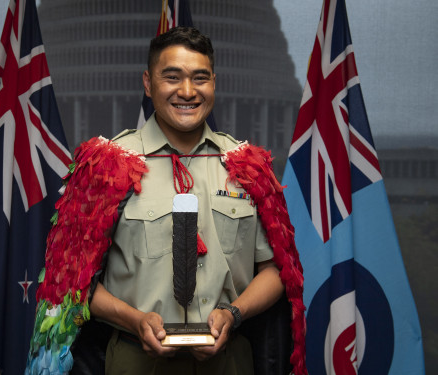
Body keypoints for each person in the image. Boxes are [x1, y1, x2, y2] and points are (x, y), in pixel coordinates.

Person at [26, 26, 306, 375]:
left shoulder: (247, 167)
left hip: (229, 359)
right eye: (172, 77)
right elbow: (70, 282)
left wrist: (234, 314)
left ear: (214, 83)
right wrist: (135, 320)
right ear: (148, 83)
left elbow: (277, 271)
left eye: (199, 78)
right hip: (135, 360)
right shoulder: (106, 166)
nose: (187, 91)